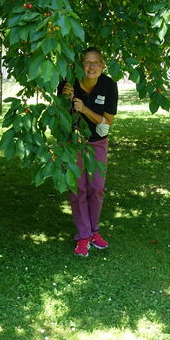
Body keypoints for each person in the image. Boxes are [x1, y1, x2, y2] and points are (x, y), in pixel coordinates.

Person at [59, 47, 118, 257]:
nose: (91, 66)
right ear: (80, 65)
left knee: (97, 186)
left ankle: (94, 232)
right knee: (78, 189)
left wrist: (84, 109)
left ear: (102, 65)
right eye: (87, 62)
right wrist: (67, 102)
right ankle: (83, 236)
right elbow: (61, 116)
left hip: (97, 141)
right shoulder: (68, 81)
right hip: (74, 141)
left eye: (96, 62)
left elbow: (107, 122)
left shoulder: (109, 85)